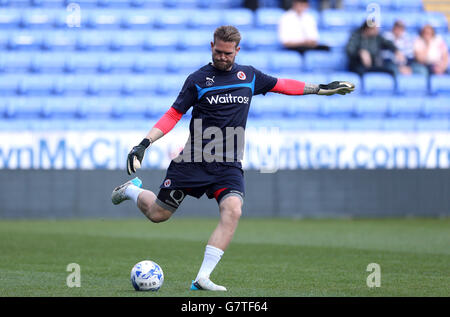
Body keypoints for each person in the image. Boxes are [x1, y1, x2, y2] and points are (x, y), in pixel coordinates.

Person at [111, 25, 354, 291]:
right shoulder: (198, 80)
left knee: (233, 210)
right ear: (211, 46)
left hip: (229, 164)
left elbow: (282, 85)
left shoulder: (248, 75)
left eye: (227, 53)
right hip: (193, 160)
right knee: (159, 214)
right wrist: (144, 143)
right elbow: (173, 115)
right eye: (218, 51)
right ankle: (131, 191)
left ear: (237, 50)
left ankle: (202, 278)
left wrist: (319, 88)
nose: (222, 57)